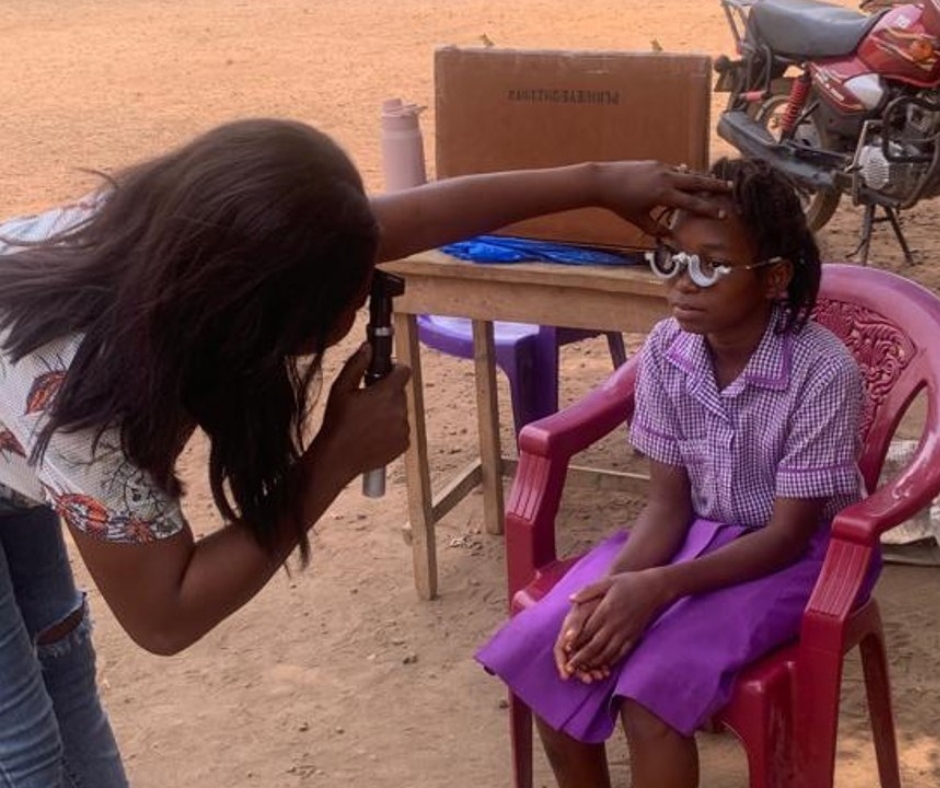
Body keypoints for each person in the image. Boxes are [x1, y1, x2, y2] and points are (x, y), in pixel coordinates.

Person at [0, 116, 728, 786]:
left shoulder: (202, 248)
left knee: (61, 654)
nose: (362, 301)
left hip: (14, 451)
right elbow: (166, 615)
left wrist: (597, 182)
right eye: (352, 297)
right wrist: (334, 457)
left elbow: (407, 220)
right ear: (260, 310)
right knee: (21, 740)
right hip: (31, 407)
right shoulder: (79, 398)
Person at [476, 158, 873, 788]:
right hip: (694, 535)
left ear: (774, 278)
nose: (684, 283)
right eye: (673, 259)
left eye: (711, 265)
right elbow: (667, 506)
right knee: (562, 653)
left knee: (650, 698)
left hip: (805, 559)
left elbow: (787, 535)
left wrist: (657, 589)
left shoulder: (823, 373)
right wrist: (616, 591)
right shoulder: (668, 349)